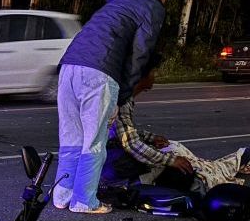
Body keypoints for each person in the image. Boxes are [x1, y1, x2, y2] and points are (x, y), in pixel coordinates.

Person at [54, 0, 169, 215]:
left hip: (68, 66)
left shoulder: (117, 1)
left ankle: (62, 195)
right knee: (95, 141)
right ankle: (85, 201)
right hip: (100, 71)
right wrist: (122, 96)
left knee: (71, 138)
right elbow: (139, 56)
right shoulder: (151, 7)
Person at [104, 55, 249, 191]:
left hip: (117, 156)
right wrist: (171, 160)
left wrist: (150, 137)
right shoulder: (121, 100)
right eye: (154, 72)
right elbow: (130, 143)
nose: (155, 76)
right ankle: (230, 165)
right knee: (183, 164)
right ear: (142, 76)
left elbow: (122, 132)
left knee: (176, 149)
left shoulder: (125, 97)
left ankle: (228, 164)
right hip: (117, 163)